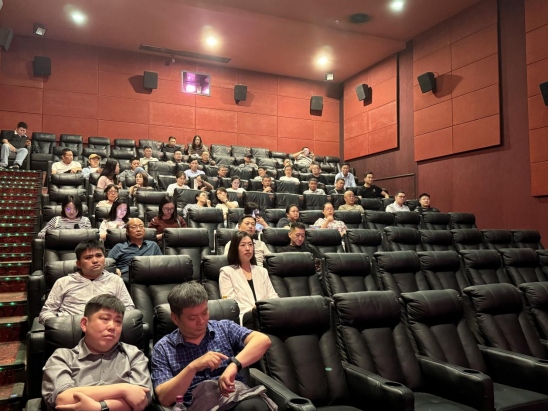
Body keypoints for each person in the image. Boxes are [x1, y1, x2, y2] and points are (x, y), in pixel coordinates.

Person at [151, 282, 272, 409]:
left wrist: (234, 365)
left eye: (204, 313)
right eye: (192, 318)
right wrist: (192, 368)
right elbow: (164, 398)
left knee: (252, 406)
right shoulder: (163, 348)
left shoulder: (224, 328)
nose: (201, 321)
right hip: (198, 406)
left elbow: (262, 340)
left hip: (237, 399)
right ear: (175, 318)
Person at [42, 294, 151, 411]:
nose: (112, 326)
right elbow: (63, 399)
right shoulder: (62, 357)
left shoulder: (133, 354)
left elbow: (142, 398)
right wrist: (124, 389)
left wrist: (99, 407)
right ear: (84, 324)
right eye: (105, 319)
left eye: (118, 321)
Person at [39, 240, 135, 324]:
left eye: (99, 256)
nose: (95, 260)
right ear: (78, 264)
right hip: (71, 330)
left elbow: (129, 309)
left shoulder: (115, 280)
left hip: (107, 329)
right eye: (88, 257)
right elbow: (46, 313)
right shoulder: (63, 282)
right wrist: (60, 325)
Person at [220, 231, 279, 328]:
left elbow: (273, 295)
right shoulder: (226, 272)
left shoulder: (262, 271)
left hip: (266, 316)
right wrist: (256, 309)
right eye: (243, 245)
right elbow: (230, 304)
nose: (248, 248)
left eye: (250, 244)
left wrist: (269, 309)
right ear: (235, 249)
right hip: (245, 317)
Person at [107, 218, 162, 283]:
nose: (138, 230)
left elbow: (161, 263)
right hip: (127, 276)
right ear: (127, 232)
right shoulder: (119, 247)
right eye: (134, 227)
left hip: (150, 275)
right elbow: (107, 263)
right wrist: (116, 269)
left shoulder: (153, 245)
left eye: (141, 227)